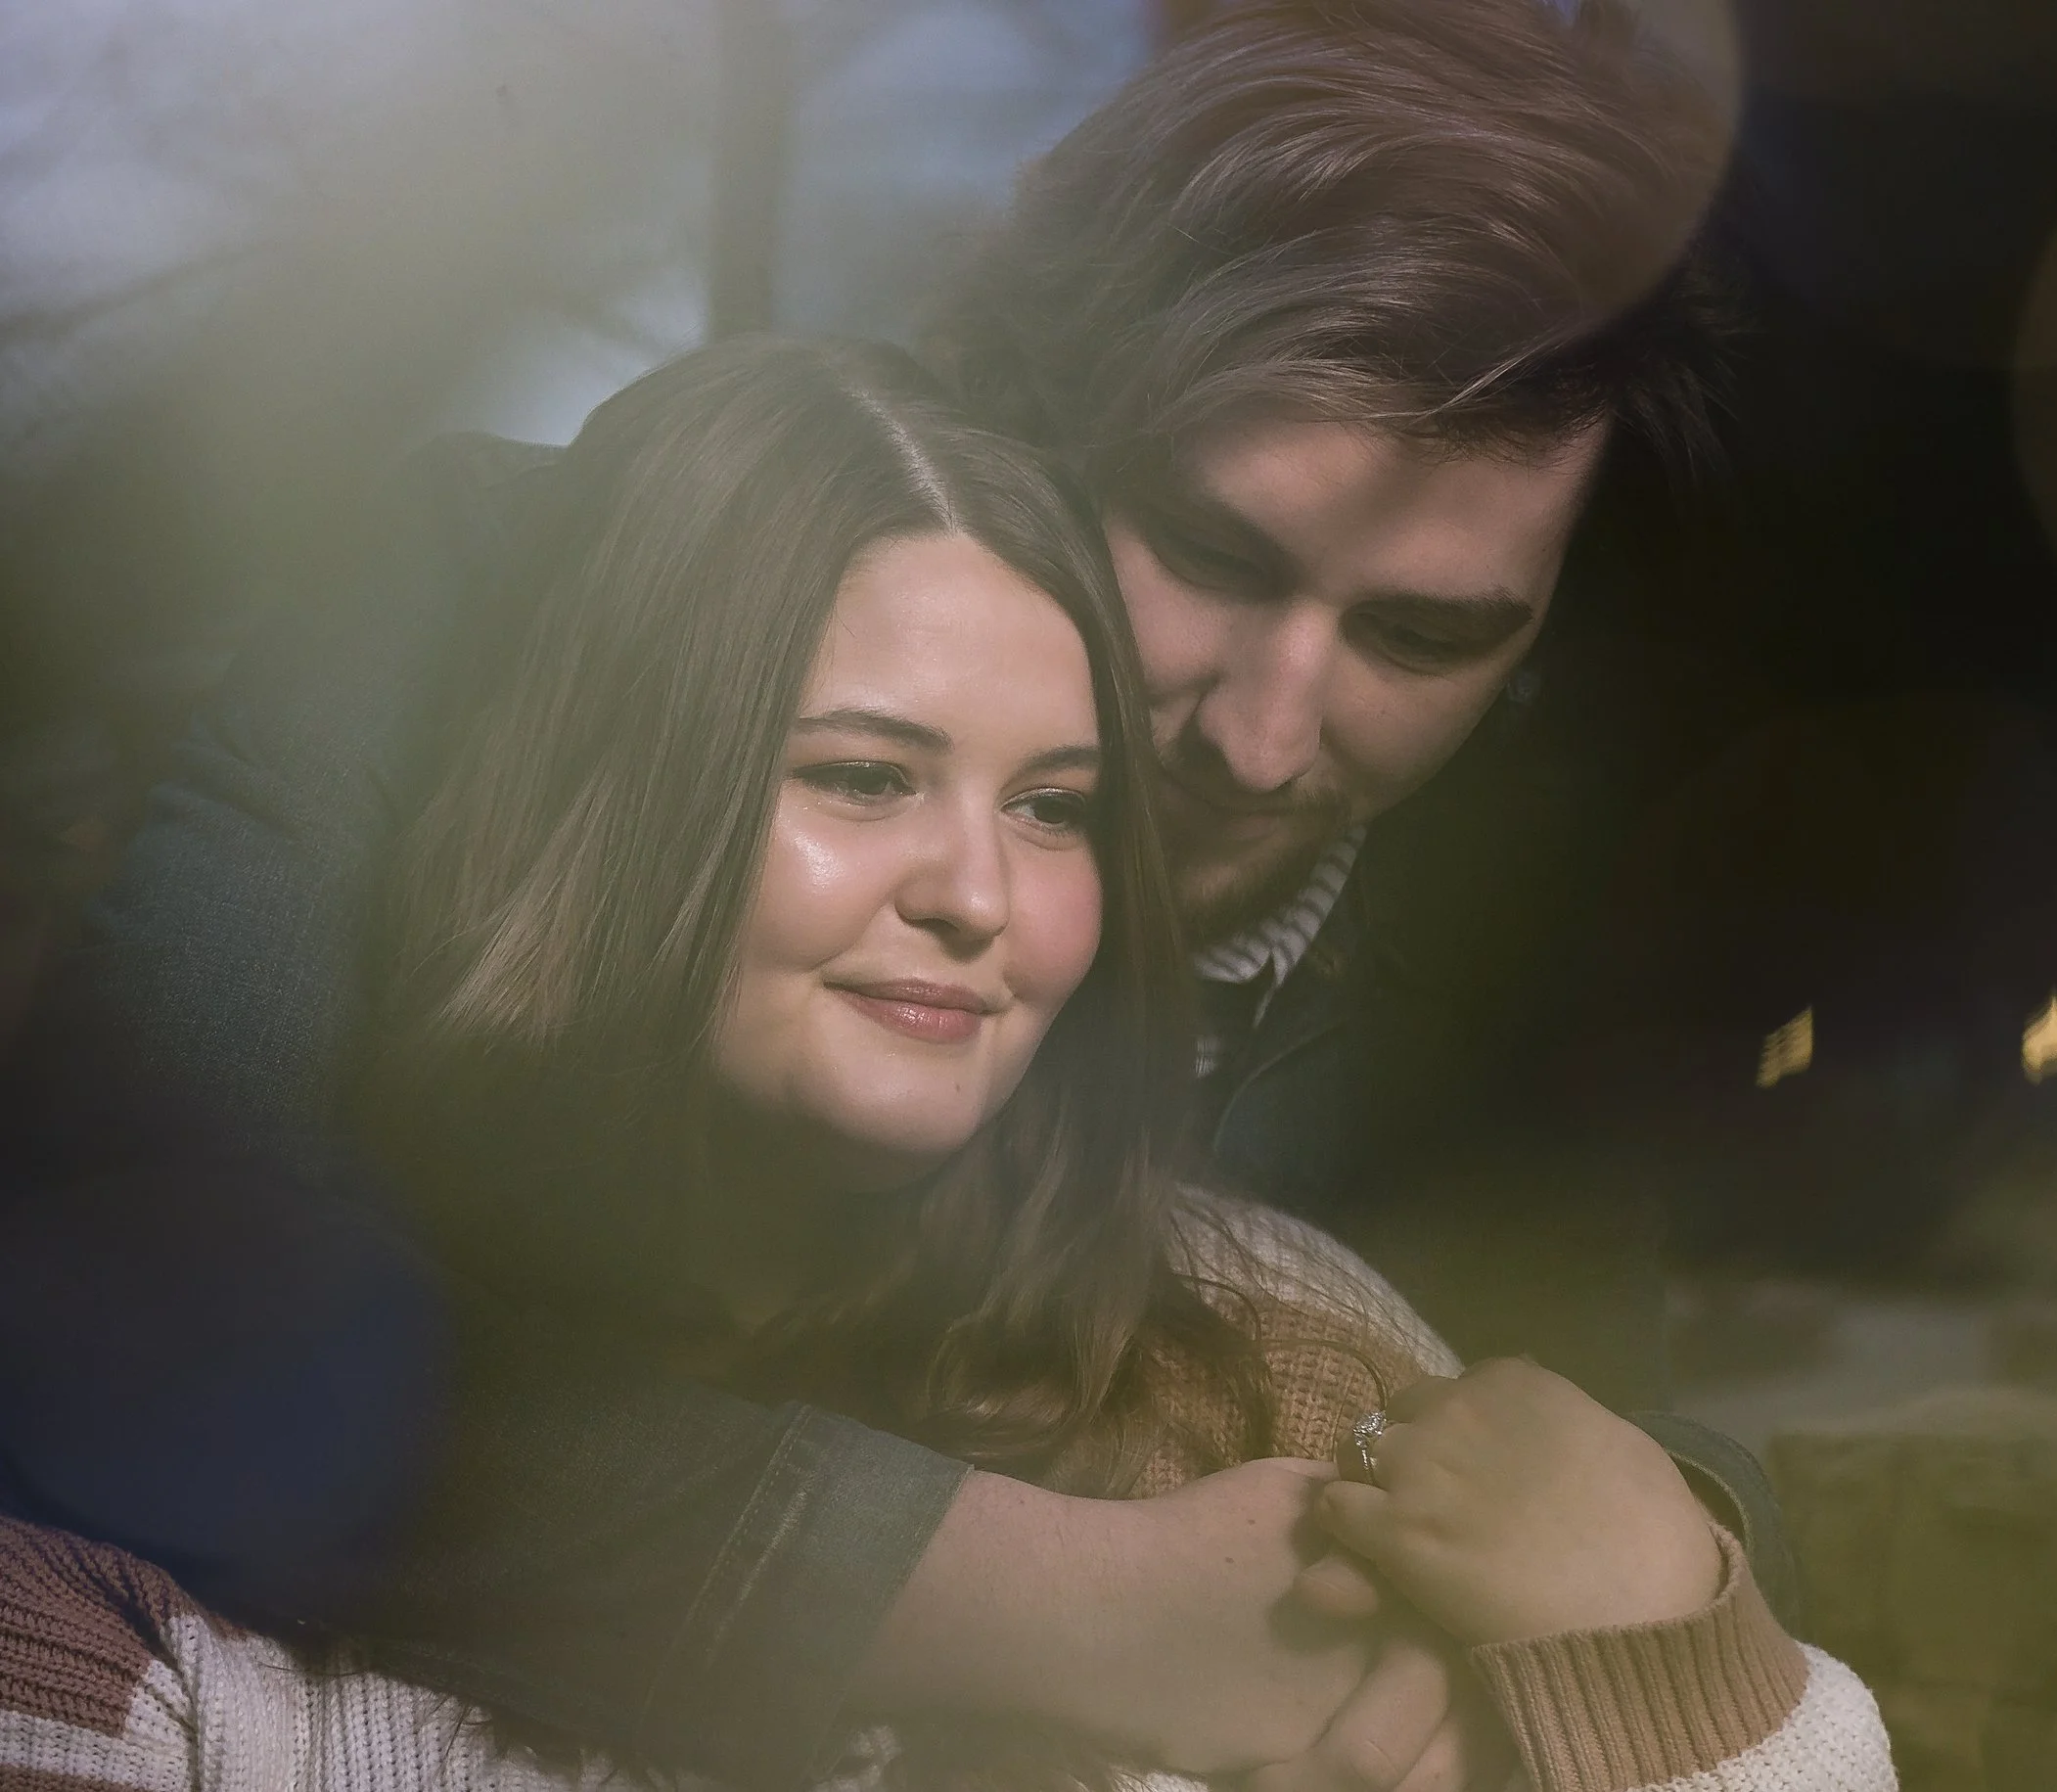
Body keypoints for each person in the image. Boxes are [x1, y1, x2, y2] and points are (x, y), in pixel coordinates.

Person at [54, 0, 1782, 1783]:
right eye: (1207, 549)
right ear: (1022, 393)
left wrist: (1648, 1561)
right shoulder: (488, 594)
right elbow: (136, 1300)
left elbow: (1602, 1450)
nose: (1264, 743)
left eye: (1422, 637)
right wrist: (1030, 1601)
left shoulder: (1517, 954)